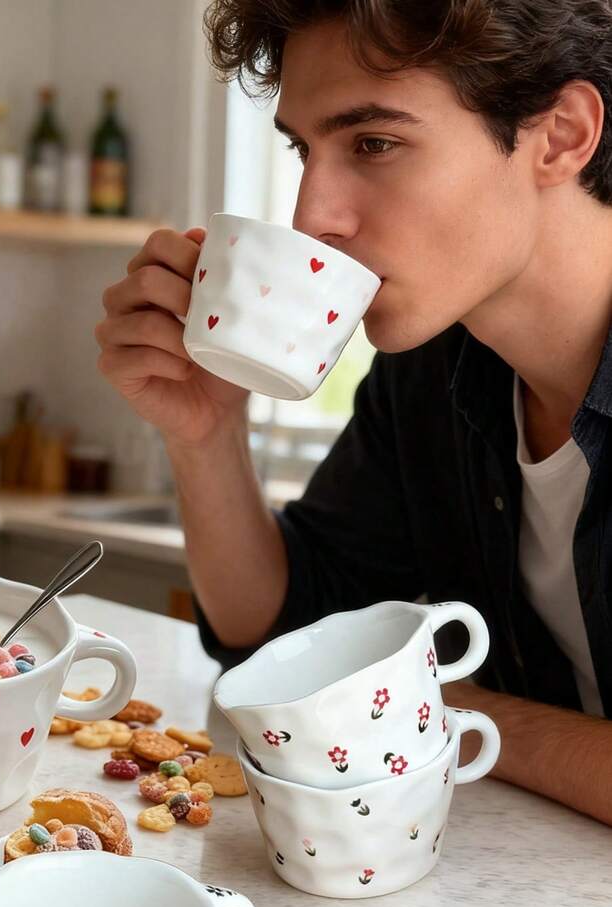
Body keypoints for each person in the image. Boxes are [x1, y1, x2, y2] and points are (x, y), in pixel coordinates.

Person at [94, 0, 612, 824]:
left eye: (374, 143)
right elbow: (274, 625)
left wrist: (438, 708)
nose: (312, 218)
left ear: (560, 135)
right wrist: (205, 431)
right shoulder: (433, 373)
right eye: (305, 151)